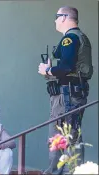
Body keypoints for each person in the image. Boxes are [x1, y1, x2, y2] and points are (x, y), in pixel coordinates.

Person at [38, 6, 93, 174]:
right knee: (70, 134)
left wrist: (47, 70)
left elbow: (67, 67)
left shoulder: (70, 38)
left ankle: (62, 172)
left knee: (63, 135)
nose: (55, 20)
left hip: (66, 96)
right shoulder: (80, 37)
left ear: (64, 18)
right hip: (72, 93)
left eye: (57, 16)